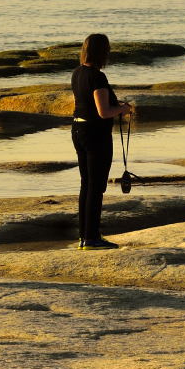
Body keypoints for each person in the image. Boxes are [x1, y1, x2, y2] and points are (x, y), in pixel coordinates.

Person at [68, 32, 134, 250]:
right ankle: (92, 237)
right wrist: (123, 109)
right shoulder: (98, 77)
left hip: (78, 129)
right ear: (101, 52)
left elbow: (87, 103)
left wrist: (116, 106)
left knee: (86, 185)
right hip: (96, 134)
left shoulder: (77, 72)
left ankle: (84, 236)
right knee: (96, 187)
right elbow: (104, 112)